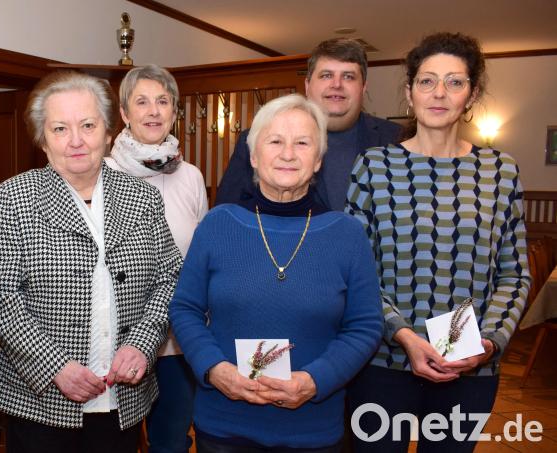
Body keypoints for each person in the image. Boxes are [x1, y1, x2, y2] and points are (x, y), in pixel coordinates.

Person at [345, 32, 531, 452]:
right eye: (427, 81)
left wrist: (488, 342)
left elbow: (515, 272)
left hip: (472, 368)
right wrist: (406, 337)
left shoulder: (500, 170)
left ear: (472, 93)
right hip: (384, 363)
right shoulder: (374, 166)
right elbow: (355, 272)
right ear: (409, 90)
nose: (439, 93)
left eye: (455, 82)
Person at [0, 71, 183, 453]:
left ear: (108, 131)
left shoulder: (143, 198)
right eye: (59, 128)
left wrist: (142, 343)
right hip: (40, 401)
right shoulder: (13, 198)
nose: (75, 140)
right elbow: (1, 297)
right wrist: (55, 365)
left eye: (88, 125)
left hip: (122, 395)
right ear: (42, 140)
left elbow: (170, 277)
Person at [170, 93, 383, 452]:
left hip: (312, 429)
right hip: (224, 424)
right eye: (275, 141)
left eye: (302, 143)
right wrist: (214, 369)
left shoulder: (347, 234)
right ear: (254, 156)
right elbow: (184, 309)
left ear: (317, 160)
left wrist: (316, 381)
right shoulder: (217, 225)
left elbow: (365, 326)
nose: (288, 153)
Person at [105, 63, 208, 453]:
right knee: (116, 440)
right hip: (120, 338)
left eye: (163, 101)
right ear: (125, 113)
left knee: (171, 441)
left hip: (177, 341)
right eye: (142, 102)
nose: (153, 111)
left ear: (174, 111)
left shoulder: (191, 177)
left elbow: (198, 256)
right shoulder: (103, 172)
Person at [215, 38, 401, 210]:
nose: (336, 84)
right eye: (326, 75)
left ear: (363, 87)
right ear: (307, 85)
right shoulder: (256, 140)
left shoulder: (396, 139)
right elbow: (228, 213)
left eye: (348, 77)